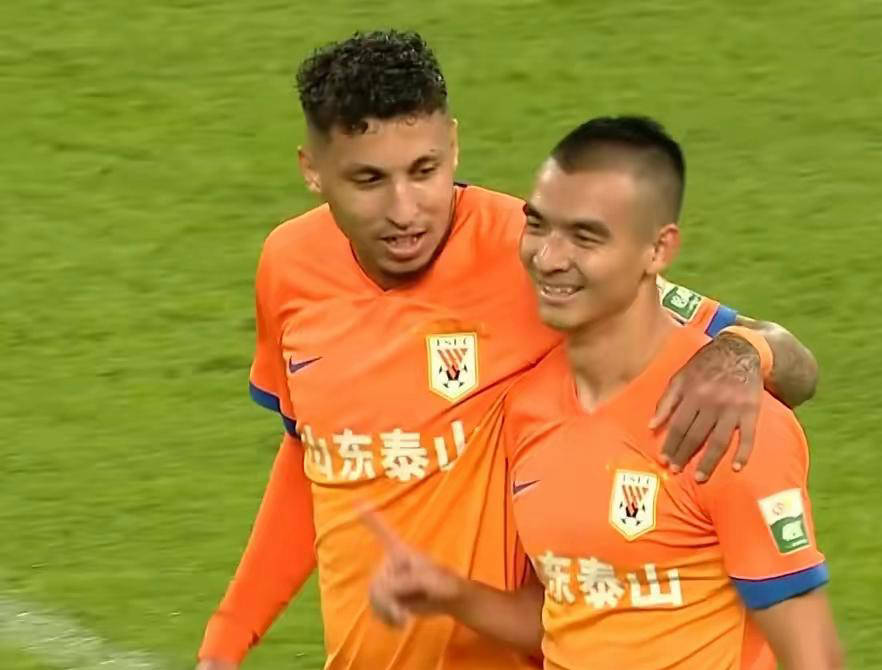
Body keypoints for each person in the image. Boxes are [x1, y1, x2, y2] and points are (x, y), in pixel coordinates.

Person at [195, 31, 821, 670]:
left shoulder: (540, 256)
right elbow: (315, 456)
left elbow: (793, 362)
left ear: (454, 145)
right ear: (313, 170)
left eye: (425, 170)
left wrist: (743, 352)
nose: (405, 210)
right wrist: (227, 638)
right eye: (369, 180)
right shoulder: (289, 267)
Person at [364, 116, 843, 669]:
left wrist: (749, 350)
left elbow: (814, 657)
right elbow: (571, 612)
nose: (548, 258)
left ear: (658, 250)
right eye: (538, 225)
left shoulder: (726, 421)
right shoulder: (528, 407)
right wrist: (451, 592)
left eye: (585, 237)